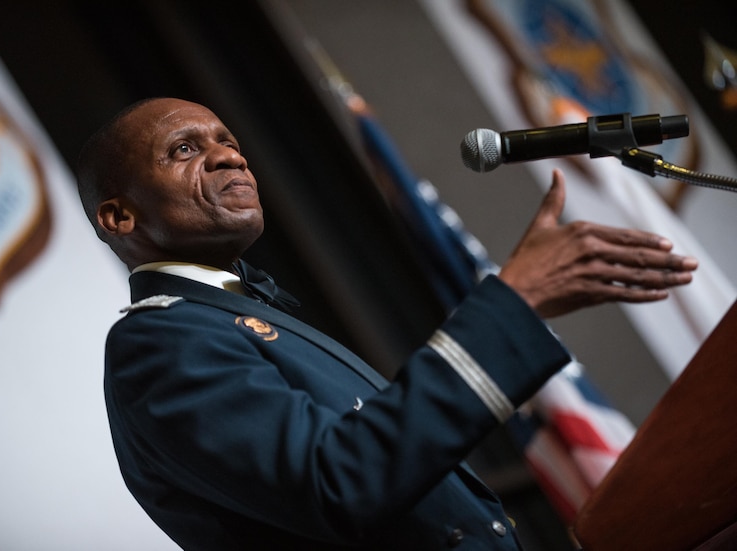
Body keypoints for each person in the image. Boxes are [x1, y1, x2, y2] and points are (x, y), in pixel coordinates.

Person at [75, 97, 697, 550]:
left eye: (227, 140)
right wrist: (511, 306)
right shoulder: (158, 343)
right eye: (185, 150)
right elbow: (339, 483)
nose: (227, 158)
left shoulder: (244, 316)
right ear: (120, 217)